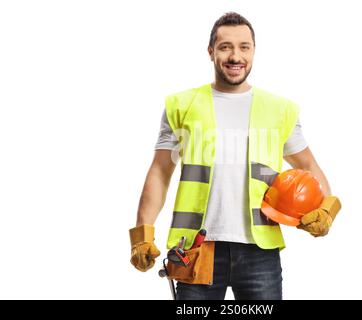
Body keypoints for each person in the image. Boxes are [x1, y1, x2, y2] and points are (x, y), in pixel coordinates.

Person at [128, 12, 341, 300]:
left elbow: (307, 166)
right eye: (225, 46)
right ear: (211, 51)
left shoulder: (280, 109)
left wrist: (328, 208)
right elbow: (160, 171)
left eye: (244, 47)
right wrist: (143, 233)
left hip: (259, 251)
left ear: (253, 51)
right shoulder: (182, 105)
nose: (235, 56)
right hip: (195, 249)